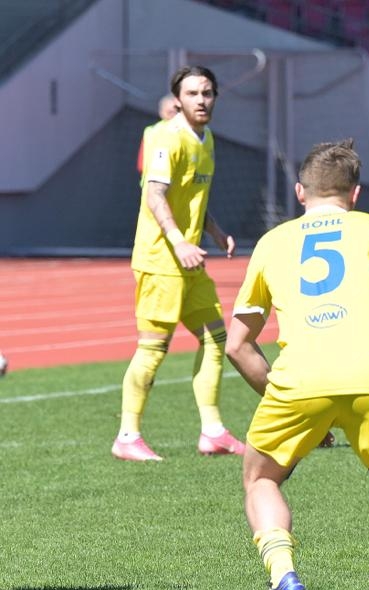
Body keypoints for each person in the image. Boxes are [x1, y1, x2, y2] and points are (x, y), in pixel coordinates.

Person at [225, 140, 369, 590]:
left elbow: (237, 345)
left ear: (300, 192)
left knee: (260, 479)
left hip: (298, 380)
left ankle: (283, 574)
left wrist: (284, 396)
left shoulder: (272, 242)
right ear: (355, 193)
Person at [112, 66, 244, 462]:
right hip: (161, 259)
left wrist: (214, 231)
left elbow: (191, 198)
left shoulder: (207, 138)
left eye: (207, 93)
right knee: (153, 348)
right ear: (177, 100)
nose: (201, 100)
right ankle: (127, 436)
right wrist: (179, 240)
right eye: (192, 93)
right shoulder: (167, 138)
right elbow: (155, 195)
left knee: (216, 339)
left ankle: (213, 432)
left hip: (190, 260)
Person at [136, 93, 179, 182]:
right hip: (157, 183)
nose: (173, 116)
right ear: (161, 112)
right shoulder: (151, 132)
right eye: (170, 112)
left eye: (175, 112)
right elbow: (141, 164)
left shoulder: (151, 131)